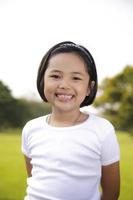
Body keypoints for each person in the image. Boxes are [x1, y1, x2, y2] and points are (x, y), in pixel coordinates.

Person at [21, 41, 120, 200]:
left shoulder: (102, 129)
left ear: (89, 87)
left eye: (76, 78)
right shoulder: (31, 128)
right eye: (55, 76)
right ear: (42, 80)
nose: (64, 85)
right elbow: (33, 178)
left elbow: (112, 192)